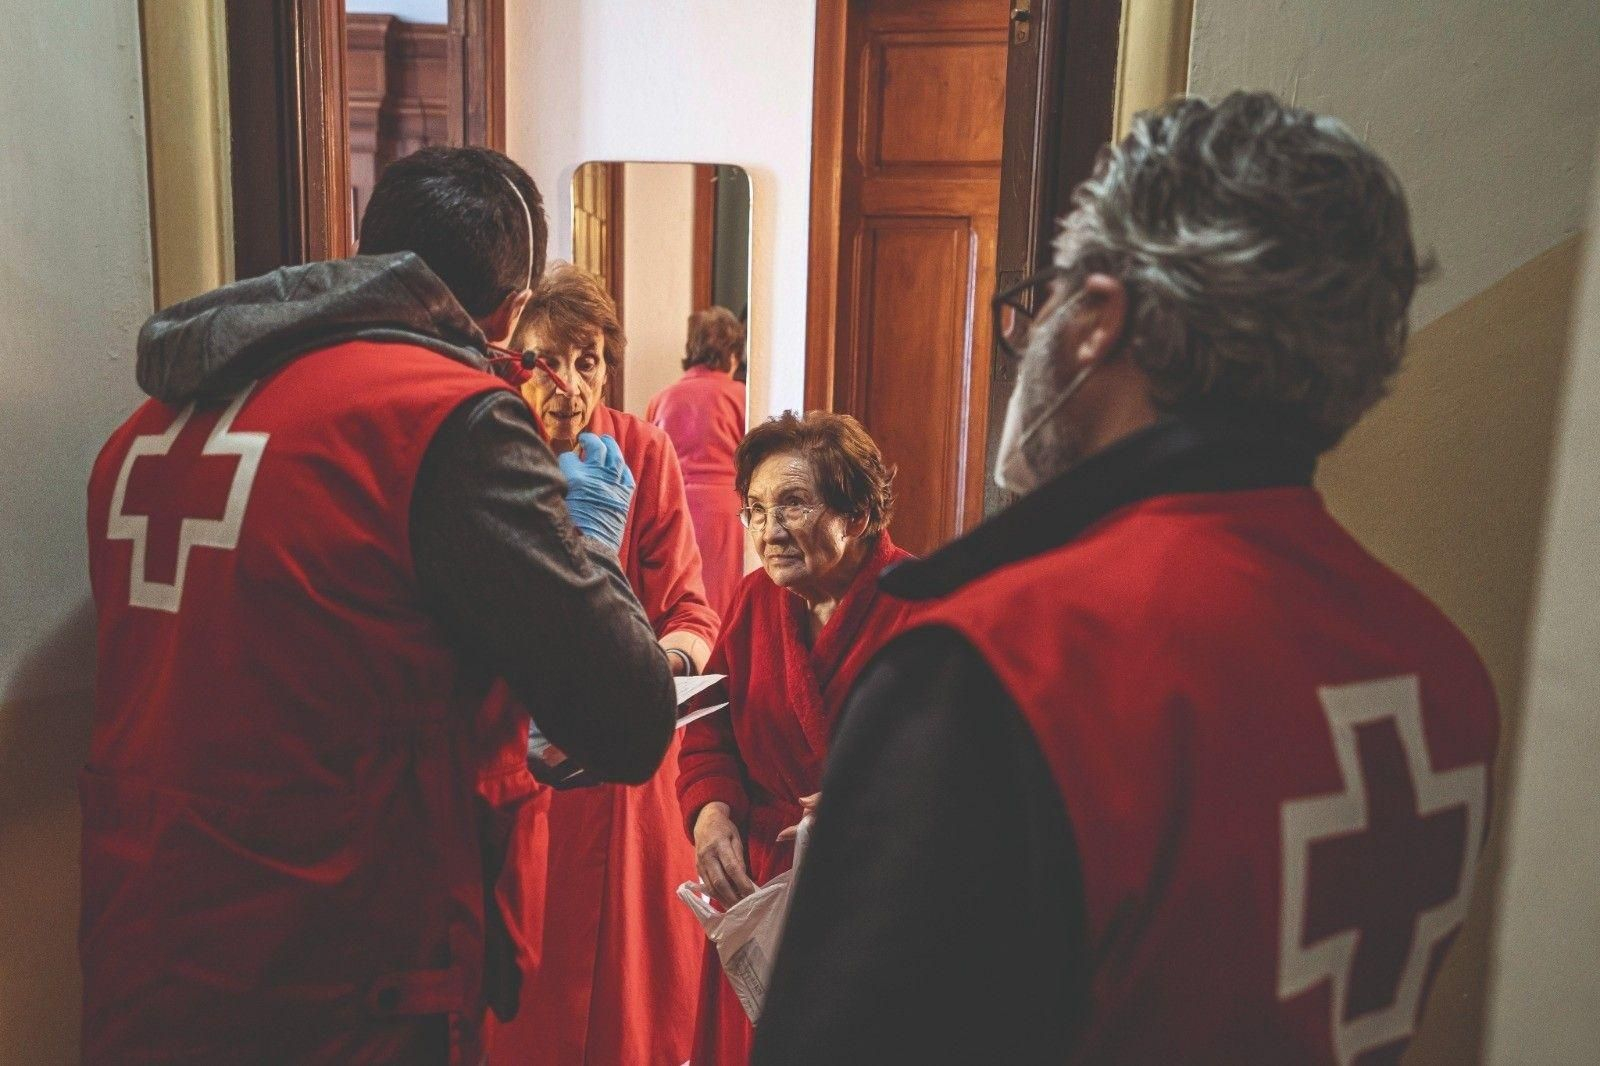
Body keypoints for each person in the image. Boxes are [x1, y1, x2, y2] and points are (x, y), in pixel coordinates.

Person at [753, 92, 1500, 1065]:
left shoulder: (997, 665)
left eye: (1047, 299)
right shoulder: (1438, 663)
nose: (1034, 334)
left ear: (1098, 320)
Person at [82, 147, 676, 1064]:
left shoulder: (150, 425)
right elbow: (626, 716)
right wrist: (592, 540)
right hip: (338, 976)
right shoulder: (445, 419)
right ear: (511, 314)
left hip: (151, 952)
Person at [484, 264, 720, 1066]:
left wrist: (642, 664)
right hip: (518, 761)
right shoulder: (487, 453)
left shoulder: (641, 452)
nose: (571, 382)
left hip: (620, 772)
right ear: (511, 361)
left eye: (589, 361)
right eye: (548, 358)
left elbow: (694, 613)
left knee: (623, 1013)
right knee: (527, 997)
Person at [677, 411, 915, 1066]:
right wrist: (711, 814)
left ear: (858, 517)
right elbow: (708, 726)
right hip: (756, 889)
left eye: (792, 505)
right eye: (754, 509)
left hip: (867, 893)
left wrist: (863, 803)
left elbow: (959, 765)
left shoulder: (921, 608)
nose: (768, 532)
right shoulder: (756, 601)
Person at [647, 306, 749, 621]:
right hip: (727, 512)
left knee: (682, 599)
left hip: (674, 507)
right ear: (733, 355)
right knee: (725, 602)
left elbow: (649, 465)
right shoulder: (743, 397)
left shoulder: (662, 399)